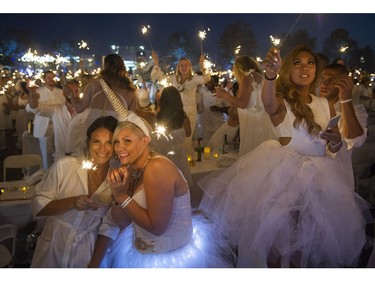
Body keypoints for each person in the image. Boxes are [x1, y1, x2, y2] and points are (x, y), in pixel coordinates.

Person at [198, 44, 371, 268]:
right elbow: (268, 102)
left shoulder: (325, 103)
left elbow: (331, 149)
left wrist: (336, 141)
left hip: (319, 181)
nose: (305, 67)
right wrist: (271, 75)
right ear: (288, 69)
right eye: (298, 63)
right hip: (284, 180)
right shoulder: (281, 101)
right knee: (279, 248)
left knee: (307, 248)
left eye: (310, 63)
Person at [87, 84, 234, 268]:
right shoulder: (133, 169)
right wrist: (118, 194)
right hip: (141, 253)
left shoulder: (157, 167)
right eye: (116, 142)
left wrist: (123, 196)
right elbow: (123, 221)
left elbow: (157, 227)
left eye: (127, 141)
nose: (119, 148)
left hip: (169, 261)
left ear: (145, 140)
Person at [30, 115, 118, 267]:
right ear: (87, 143)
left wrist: (94, 265)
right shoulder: (65, 166)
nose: (102, 149)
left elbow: (111, 227)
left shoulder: (117, 179)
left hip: (88, 252)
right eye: (96, 141)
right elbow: (37, 205)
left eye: (109, 143)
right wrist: (72, 202)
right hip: (54, 244)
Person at [215, 55, 276, 156]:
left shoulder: (247, 77)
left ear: (239, 68)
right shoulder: (262, 77)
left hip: (252, 124)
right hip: (263, 122)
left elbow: (243, 103)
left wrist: (224, 95)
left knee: (252, 156)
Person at [319, 63, 368, 188]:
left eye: (331, 80)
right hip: (310, 175)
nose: (324, 84)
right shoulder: (313, 105)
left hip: (337, 180)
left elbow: (356, 141)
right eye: (323, 80)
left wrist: (345, 99)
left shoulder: (356, 110)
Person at [151, 51, 210, 150]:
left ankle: (186, 158)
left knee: (187, 137)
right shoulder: (174, 79)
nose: (184, 67)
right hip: (176, 112)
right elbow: (160, 78)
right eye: (181, 65)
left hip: (190, 112)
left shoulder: (194, 79)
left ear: (189, 67)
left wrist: (202, 65)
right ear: (178, 67)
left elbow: (206, 78)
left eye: (186, 65)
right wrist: (156, 62)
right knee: (176, 137)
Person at [71, 53, 138, 134]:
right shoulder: (128, 90)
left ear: (104, 66)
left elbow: (79, 108)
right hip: (114, 132)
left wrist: (72, 96)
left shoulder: (93, 84)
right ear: (122, 67)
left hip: (93, 131)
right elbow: (132, 119)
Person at [151, 86, 193, 187]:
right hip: (179, 156)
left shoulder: (156, 118)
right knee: (181, 186)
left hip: (163, 155)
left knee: (165, 186)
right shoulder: (183, 118)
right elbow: (188, 133)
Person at [26, 71, 65, 169]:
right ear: (44, 79)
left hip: (59, 126)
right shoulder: (38, 91)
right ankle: (46, 174)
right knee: (46, 153)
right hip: (45, 126)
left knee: (59, 151)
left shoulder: (61, 92)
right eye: (49, 77)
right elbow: (29, 107)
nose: (51, 79)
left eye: (53, 77)